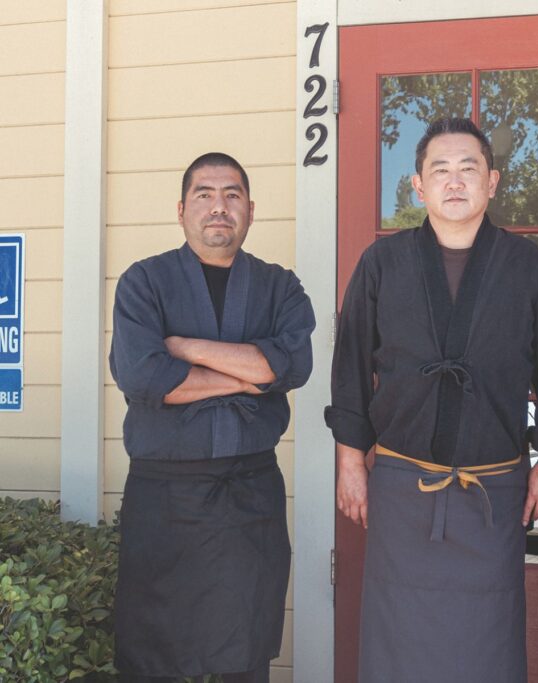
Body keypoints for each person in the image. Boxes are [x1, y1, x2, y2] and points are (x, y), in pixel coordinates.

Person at [325, 117, 538, 683]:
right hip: (401, 484)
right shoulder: (382, 263)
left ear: (492, 182)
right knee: (398, 642)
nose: (454, 181)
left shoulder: (527, 266)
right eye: (440, 169)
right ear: (417, 185)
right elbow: (350, 365)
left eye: (469, 168)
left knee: (487, 643)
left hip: (493, 488)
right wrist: (349, 459)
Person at [109, 152, 315, 683]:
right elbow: (146, 378)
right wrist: (251, 375)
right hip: (164, 497)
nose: (218, 207)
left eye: (232, 195)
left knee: (243, 653)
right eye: (204, 194)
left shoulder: (279, 287)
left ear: (250, 209)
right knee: (153, 654)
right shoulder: (143, 282)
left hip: (249, 494)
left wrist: (186, 347)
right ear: (181, 210)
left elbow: (293, 364)